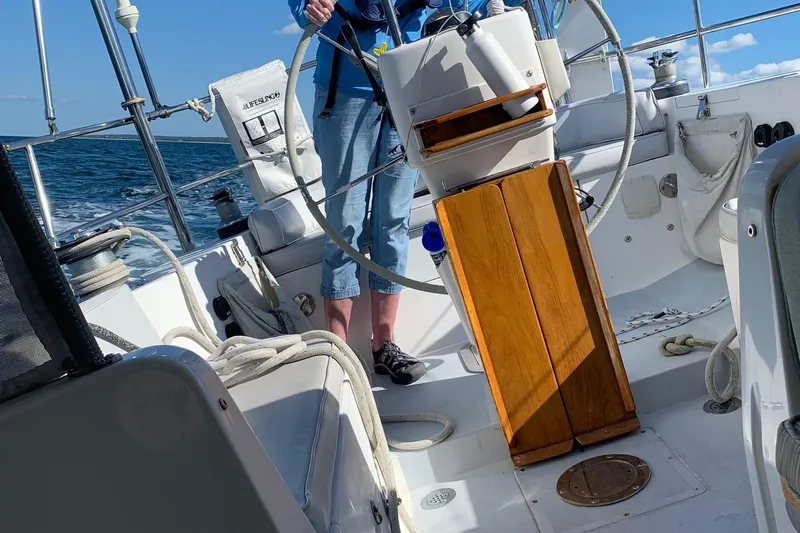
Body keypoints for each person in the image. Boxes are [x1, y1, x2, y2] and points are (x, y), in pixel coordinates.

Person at [288, 0, 521, 385]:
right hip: (345, 92)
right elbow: (304, 5)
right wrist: (310, 8)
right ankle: (338, 354)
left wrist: (499, 8)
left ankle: (385, 346)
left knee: (393, 219)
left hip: (407, 89)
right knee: (344, 221)